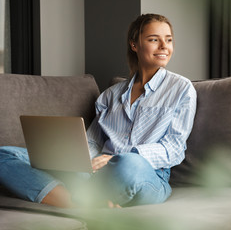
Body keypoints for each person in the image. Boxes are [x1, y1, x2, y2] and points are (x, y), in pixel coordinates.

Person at [0, 14, 197, 208]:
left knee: (129, 165)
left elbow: (174, 148)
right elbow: (93, 141)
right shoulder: (110, 95)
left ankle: (81, 194)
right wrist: (79, 161)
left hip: (147, 175)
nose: (164, 46)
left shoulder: (181, 88)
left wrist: (117, 158)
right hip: (98, 172)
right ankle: (72, 201)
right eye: (154, 39)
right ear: (134, 45)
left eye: (169, 40)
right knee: (5, 154)